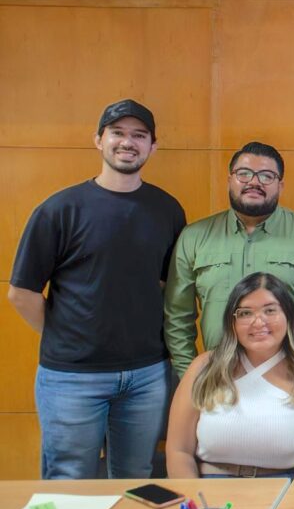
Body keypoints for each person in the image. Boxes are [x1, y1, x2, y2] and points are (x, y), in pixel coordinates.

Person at [8, 99, 185, 479]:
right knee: (69, 479)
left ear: (152, 146)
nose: (128, 142)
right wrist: (69, 338)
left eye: (139, 135)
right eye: (117, 133)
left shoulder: (167, 210)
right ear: (98, 140)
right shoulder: (59, 209)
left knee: (135, 479)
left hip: (147, 375)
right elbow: (21, 293)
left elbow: (163, 284)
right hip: (72, 378)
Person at [164, 141, 294, 377]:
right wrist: (191, 376)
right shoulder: (194, 236)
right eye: (244, 173)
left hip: (291, 378)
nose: (254, 182)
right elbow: (178, 316)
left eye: (267, 176)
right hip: (218, 377)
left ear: (280, 185)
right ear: (230, 180)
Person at [166, 272, 294, 478]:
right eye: (245, 313)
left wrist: (293, 497)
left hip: (287, 487)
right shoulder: (204, 367)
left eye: (270, 310)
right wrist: (193, 496)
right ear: (232, 322)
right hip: (209, 486)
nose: (258, 322)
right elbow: (179, 451)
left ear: (288, 315)